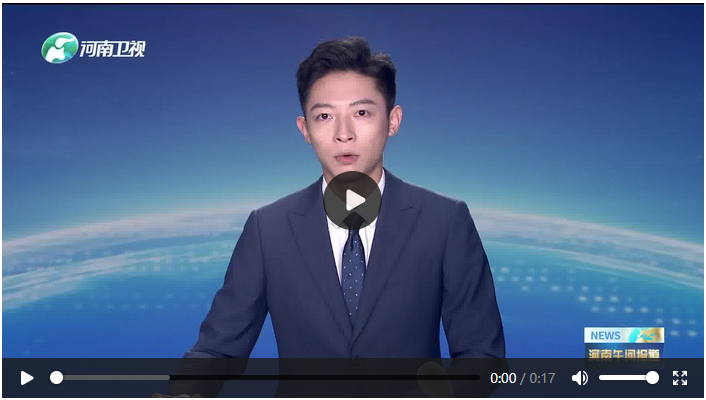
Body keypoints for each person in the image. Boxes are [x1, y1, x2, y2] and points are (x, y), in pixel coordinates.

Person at [157, 36, 505, 398]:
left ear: (393, 121)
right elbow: (216, 351)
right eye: (324, 116)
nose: (343, 134)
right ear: (305, 130)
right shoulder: (268, 229)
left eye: (361, 113)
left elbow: (483, 358)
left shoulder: (445, 222)